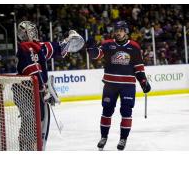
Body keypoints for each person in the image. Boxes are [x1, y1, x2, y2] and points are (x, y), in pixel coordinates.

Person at [14, 21, 82, 150]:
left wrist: (68, 40)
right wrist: (44, 90)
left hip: (33, 92)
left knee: (39, 123)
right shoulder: (25, 48)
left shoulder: (38, 46)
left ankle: (34, 147)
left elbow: (56, 48)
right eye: (31, 31)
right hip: (26, 93)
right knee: (31, 123)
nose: (33, 33)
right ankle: (28, 148)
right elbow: (33, 71)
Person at [86, 21, 151, 150]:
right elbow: (95, 55)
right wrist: (91, 46)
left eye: (121, 30)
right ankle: (104, 137)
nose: (118, 32)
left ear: (126, 31)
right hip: (110, 85)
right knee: (107, 111)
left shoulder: (134, 47)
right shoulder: (107, 44)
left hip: (128, 86)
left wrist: (143, 81)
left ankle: (123, 139)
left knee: (126, 112)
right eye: (116, 30)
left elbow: (138, 68)